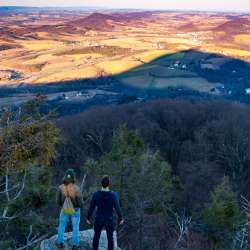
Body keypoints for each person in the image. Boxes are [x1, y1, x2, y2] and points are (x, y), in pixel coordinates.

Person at [86, 175, 124, 250]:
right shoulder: (113, 195)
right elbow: (117, 208)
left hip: (99, 218)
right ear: (109, 184)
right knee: (110, 239)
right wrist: (121, 218)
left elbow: (91, 207)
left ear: (101, 184)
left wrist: (88, 217)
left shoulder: (96, 194)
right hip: (109, 219)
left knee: (96, 237)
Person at [55, 169, 83, 250]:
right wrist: (77, 207)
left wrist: (64, 205)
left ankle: (60, 243)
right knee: (75, 227)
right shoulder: (76, 188)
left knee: (62, 225)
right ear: (73, 177)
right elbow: (80, 203)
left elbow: (58, 201)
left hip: (65, 209)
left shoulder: (60, 187)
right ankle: (75, 245)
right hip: (75, 210)